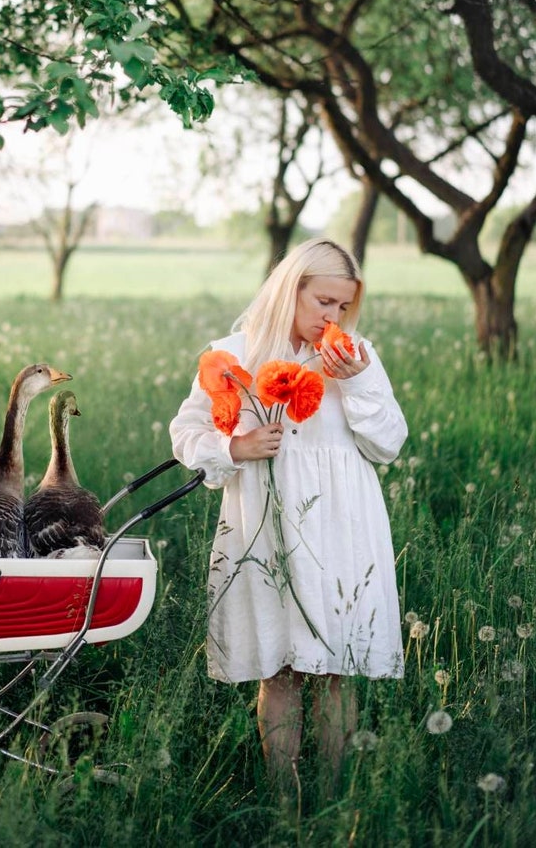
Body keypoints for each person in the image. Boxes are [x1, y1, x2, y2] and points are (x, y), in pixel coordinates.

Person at [169, 238, 407, 789]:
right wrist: (234, 448)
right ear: (289, 289)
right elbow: (186, 432)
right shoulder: (234, 355)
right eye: (324, 301)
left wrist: (355, 381)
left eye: (343, 307)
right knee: (278, 669)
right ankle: (283, 799)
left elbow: (388, 444)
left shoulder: (358, 358)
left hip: (341, 528)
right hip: (267, 528)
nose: (333, 317)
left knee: (333, 673)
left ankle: (331, 797)